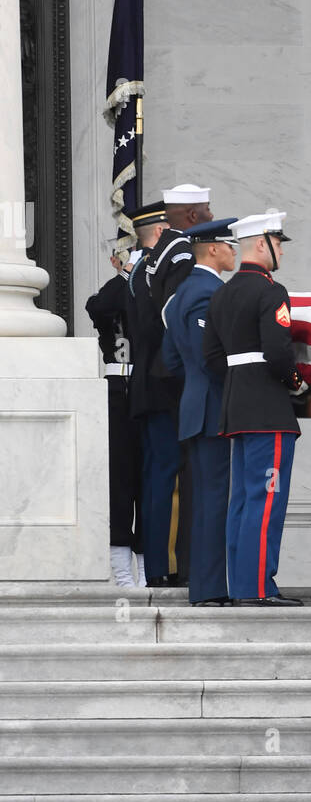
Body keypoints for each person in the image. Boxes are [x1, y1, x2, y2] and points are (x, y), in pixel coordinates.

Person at [203, 211, 304, 608]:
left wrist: (239, 383)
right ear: (262, 244)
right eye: (278, 243)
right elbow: (279, 352)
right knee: (266, 499)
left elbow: (211, 356)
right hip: (268, 410)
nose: (281, 250)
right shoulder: (270, 291)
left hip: (237, 408)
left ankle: (242, 584)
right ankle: (258, 588)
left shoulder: (222, 293)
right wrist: (297, 382)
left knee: (244, 501)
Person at [162, 219, 238, 606]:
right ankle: (209, 588)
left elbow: (172, 359)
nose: (234, 251)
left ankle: (209, 585)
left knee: (208, 499)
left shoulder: (183, 292)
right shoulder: (206, 293)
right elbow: (210, 358)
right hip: (213, 409)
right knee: (213, 500)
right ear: (212, 249)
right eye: (229, 245)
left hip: (199, 406)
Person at [125, 200, 186, 587]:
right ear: (163, 231)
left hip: (146, 387)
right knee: (168, 477)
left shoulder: (137, 273)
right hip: (165, 387)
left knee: (156, 476)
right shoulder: (154, 273)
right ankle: (165, 566)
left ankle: (158, 566)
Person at [85, 232, 144, 587]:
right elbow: (99, 307)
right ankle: (123, 573)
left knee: (148, 484)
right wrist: (127, 274)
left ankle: (148, 568)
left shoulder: (149, 292)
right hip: (118, 392)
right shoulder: (114, 291)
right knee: (120, 482)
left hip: (148, 392)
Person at [147, 183, 213, 314]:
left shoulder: (165, 245)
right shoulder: (185, 254)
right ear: (193, 215)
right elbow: (177, 310)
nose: (211, 215)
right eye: (207, 209)